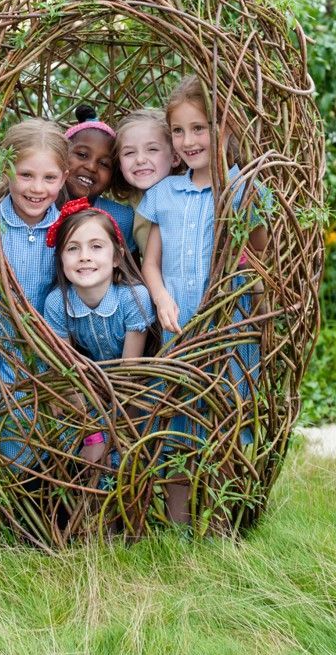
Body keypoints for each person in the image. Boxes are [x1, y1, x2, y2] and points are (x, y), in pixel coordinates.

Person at [138, 75, 268, 523]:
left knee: (226, 419)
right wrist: (160, 298)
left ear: (225, 127)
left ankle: (220, 525)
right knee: (176, 423)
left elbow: (258, 256)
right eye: (178, 131)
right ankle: (179, 527)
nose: (188, 141)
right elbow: (150, 263)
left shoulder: (245, 190)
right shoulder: (164, 194)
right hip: (179, 329)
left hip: (229, 329)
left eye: (199, 128)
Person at [0, 118, 69, 468]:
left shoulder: (67, 228)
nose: (37, 188)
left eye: (49, 178)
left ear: (64, 178)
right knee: (5, 430)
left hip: (48, 350)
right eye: (26, 175)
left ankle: (50, 485)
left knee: (54, 433)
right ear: (4, 169)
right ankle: (10, 487)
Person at [44, 198, 155, 464]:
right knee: (79, 457)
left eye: (96, 246)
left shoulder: (133, 297)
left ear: (116, 256)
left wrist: (118, 436)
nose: (84, 256)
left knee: (131, 461)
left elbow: (131, 375)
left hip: (134, 398)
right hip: (85, 399)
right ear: (60, 258)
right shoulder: (57, 303)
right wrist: (93, 435)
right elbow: (68, 373)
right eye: (72, 248)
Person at [63, 104, 137, 253]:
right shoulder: (39, 207)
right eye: (82, 155)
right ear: (61, 155)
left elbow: (131, 267)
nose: (91, 167)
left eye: (104, 164)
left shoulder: (120, 219)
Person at [113, 108, 180, 257]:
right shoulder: (133, 205)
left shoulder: (186, 198)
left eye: (152, 149)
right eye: (129, 152)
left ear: (175, 157)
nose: (140, 159)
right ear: (120, 164)